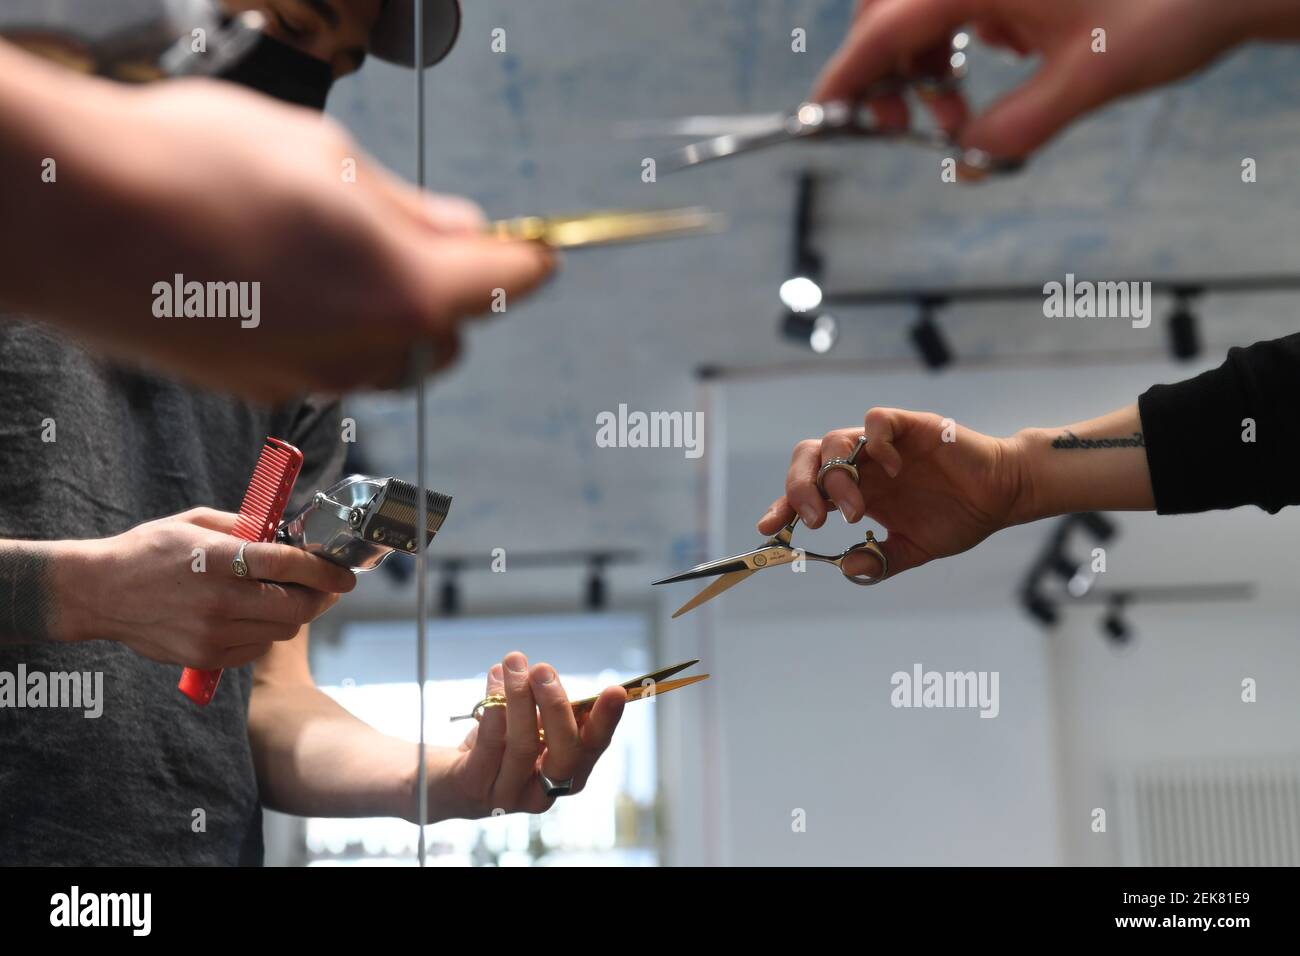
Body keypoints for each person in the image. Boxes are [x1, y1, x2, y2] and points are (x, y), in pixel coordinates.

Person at [0, 5, 623, 866]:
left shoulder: (284, 351)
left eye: (341, 62)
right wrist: (82, 594)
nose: (306, 82)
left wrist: (448, 780)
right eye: (293, 24)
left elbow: (268, 705)